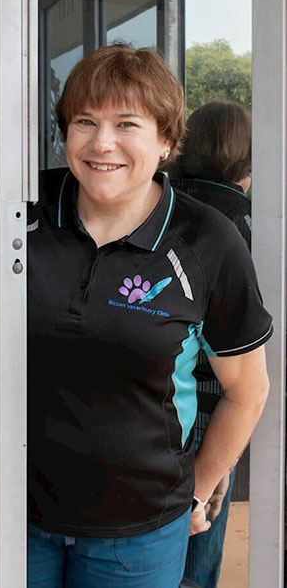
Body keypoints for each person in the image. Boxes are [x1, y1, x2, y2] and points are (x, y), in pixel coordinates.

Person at [27, 45, 272, 588]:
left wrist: (198, 489)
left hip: (139, 530)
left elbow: (248, 390)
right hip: (19, 518)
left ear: (166, 141)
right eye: (85, 121)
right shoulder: (22, 211)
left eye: (127, 124)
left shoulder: (207, 239)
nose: (102, 142)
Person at [172, 100, 253, 588]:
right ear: (246, 159)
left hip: (156, 407)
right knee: (197, 560)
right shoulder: (249, 228)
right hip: (220, 408)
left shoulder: (159, 209)